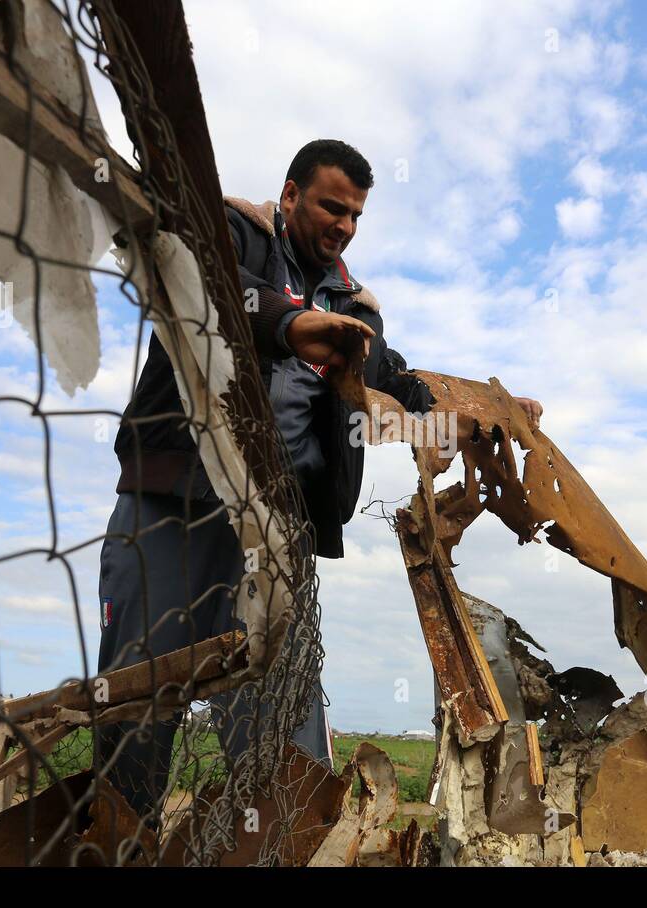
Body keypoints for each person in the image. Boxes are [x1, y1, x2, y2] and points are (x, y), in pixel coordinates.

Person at [94, 139, 541, 821]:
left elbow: (403, 384)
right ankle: (120, 840)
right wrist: (290, 322)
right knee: (137, 700)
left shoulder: (355, 308)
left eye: (357, 215)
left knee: (285, 725)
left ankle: (285, 841)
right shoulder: (235, 236)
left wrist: (495, 412)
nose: (345, 225)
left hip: (280, 536)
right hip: (177, 504)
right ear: (292, 194)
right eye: (333, 207)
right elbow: (205, 292)